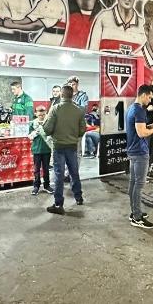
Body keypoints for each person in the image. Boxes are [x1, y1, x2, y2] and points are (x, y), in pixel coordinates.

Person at [43, 84, 87, 214]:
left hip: (59, 147)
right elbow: (82, 130)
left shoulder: (55, 108)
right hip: (72, 146)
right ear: (72, 95)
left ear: (61, 95)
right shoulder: (78, 110)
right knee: (74, 173)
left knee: (59, 175)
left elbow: (47, 129)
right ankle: (78, 198)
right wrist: (73, 136)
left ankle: (58, 204)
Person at [127, 85, 153, 228]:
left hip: (133, 150)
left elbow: (138, 129)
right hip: (140, 152)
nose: (150, 100)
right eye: (149, 97)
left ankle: (134, 211)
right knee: (139, 185)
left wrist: (152, 124)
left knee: (133, 183)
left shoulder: (131, 108)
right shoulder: (139, 110)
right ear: (143, 95)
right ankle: (137, 217)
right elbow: (141, 133)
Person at [29, 106, 54, 195]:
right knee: (36, 169)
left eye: (43, 114)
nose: (42, 116)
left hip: (46, 149)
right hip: (36, 150)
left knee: (46, 169)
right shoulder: (32, 123)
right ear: (36, 114)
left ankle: (47, 185)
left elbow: (52, 134)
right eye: (39, 115)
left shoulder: (48, 123)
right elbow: (29, 136)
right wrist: (35, 133)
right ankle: (36, 186)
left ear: (46, 113)